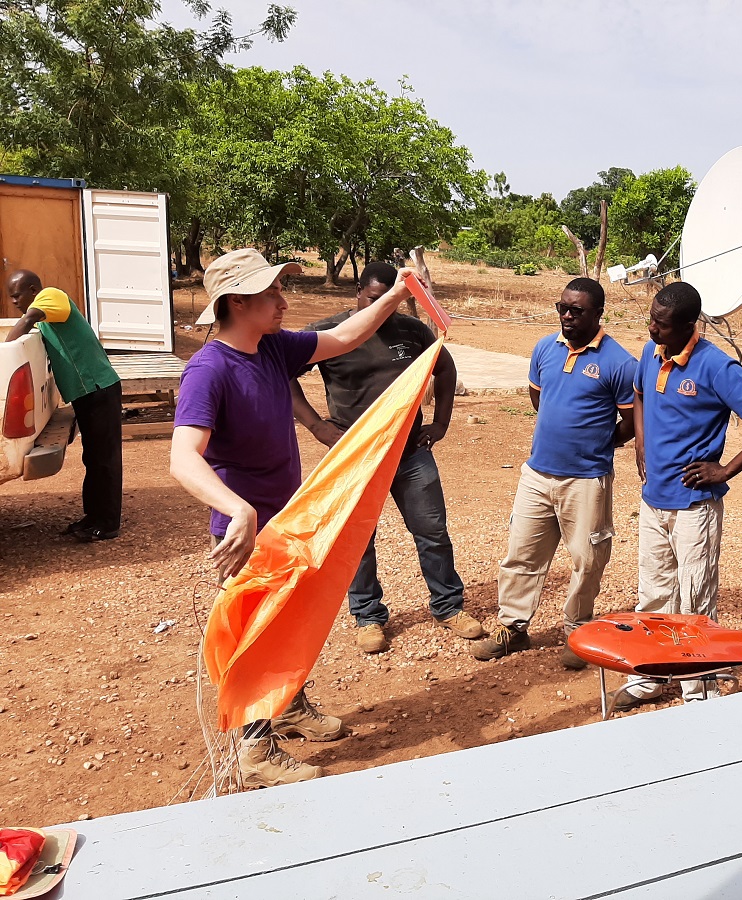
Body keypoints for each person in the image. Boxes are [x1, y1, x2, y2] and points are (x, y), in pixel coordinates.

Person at [171, 248, 423, 788]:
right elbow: (182, 457)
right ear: (237, 302)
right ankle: (255, 750)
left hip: (287, 521)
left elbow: (345, 336)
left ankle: (286, 705)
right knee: (255, 635)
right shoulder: (209, 370)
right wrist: (235, 507)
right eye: (272, 293)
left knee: (286, 622)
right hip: (244, 535)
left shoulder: (272, 350)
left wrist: (400, 294)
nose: (284, 301)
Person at [290, 261, 482, 655]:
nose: (382, 309)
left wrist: (441, 423)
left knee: (432, 532)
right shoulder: (329, 333)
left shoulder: (412, 331)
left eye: (390, 301)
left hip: (411, 453)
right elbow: (284, 375)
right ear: (358, 293)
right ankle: (368, 616)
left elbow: (444, 368)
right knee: (358, 539)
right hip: (356, 455)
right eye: (374, 300)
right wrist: (316, 426)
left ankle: (448, 607)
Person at [621, 281, 742, 706]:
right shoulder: (649, 352)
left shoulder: (717, 367)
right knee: (654, 594)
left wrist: (726, 468)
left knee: (695, 599)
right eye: (652, 320)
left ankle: (699, 690)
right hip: (653, 499)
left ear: (688, 325)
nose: (652, 329)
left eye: (661, 324)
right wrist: (640, 440)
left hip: (694, 505)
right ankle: (653, 675)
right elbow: (639, 395)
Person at [473, 278, 636, 668]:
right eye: (561, 307)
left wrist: (596, 441)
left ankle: (577, 630)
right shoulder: (545, 348)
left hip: (586, 479)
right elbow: (537, 397)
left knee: (586, 559)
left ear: (598, 314)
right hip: (537, 474)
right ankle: (513, 628)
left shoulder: (619, 362)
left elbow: (629, 422)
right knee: (521, 555)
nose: (566, 315)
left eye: (576, 311)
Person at [5, 270, 123, 541]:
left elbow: (25, 321)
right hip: (88, 393)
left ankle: (106, 524)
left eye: (16, 295)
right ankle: (93, 517)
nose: (13, 302)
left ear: (33, 289)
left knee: (104, 460)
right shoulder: (47, 315)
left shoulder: (51, 296)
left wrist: (4, 352)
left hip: (98, 388)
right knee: (93, 459)